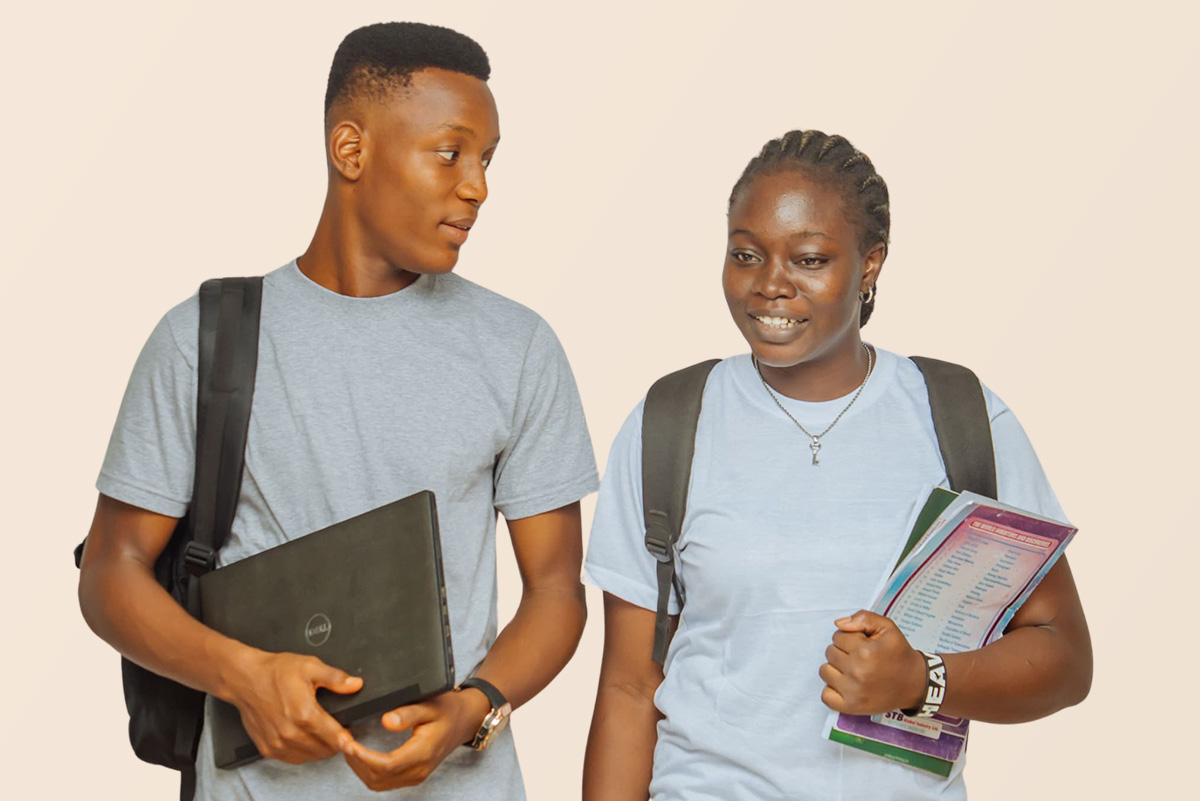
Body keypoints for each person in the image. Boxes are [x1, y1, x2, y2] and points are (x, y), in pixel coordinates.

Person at [77, 21, 597, 801]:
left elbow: (556, 589)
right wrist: (244, 675)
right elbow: (110, 574)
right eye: (450, 152)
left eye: (487, 160)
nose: (477, 186)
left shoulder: (517, 347)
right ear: (350, 150)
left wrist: (471, 709)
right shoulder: (203, 338)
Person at [581, 129, 1091, 801]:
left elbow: (1063, 656)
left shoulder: (959, 417)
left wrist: (922, 680)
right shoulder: (671, 421)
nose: (770, 285)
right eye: (745, 254)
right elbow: (628, 683)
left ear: (870, 264)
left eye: (810, 258)